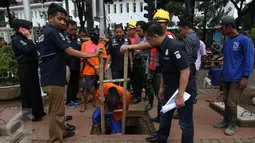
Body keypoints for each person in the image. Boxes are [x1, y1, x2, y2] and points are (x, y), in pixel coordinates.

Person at [123, 21, 196, 143]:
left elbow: (185, 71)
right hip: (170, 87)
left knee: (185, 123)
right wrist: (162, 87)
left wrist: (180, 95)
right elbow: (166, 70)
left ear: (155, 37)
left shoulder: (174, 47)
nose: (149, 43)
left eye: (149, 39)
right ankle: (161, 137)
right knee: (165, 114)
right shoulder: (161, 47)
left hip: (184, 90)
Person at [37, 3, 101, 142]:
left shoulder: (47, 33)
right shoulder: (52, 32)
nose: (62, 22)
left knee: (58, 110)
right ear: (50, 18)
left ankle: (61, 132)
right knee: (56, 112)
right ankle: (56, 139)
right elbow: (70, 51)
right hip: (53, 79)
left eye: (64, 19)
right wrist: (93, 54)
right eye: (59, 18)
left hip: (52, 77)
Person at [120, 9, 177, 123]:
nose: (156, 25)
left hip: (163, 71)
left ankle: (163, 122)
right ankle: (161, 118)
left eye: (159, 22)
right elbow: (149, 45)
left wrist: (131, 47)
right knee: (158, 95)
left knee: (162, 97)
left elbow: (148, 45)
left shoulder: (168, 37)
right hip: (155, 69)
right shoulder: (159, 36)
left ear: (166, 24)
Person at [213, 16, 254, 136]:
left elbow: (249, 60)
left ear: (229, 27)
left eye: (222, 27)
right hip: (226, 76)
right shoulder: (227, 41)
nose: (221, 29)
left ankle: (232, 124)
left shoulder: (245, 40)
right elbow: (228, 59)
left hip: (238, 78)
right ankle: (225, 120)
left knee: (232, 102)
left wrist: (245, 77)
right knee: (226, 100)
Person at [11, 19, 46, 122]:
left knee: (35, 90)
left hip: (32, 67)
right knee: (28, 91)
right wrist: (29, 38)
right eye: (28, 28)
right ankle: (31, 114)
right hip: (25, 68)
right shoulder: (17, 39)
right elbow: (27, 50)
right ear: (21, 29)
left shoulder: (24, 38)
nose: (30, 30)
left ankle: (39, 111)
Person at [80, 28, 107, 112]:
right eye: (93, 35)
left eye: (96, 35)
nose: (95, 37)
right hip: (89, 70)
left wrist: (101, 68)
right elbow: (85, 57)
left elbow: (104, 57)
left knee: (96, 87)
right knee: (87, 88)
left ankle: (94, 101)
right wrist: (95, 67)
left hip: (99, 70)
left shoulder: (101, 45)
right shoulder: (85, 44)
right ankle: (84, 104)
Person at [131, 21, 154, 112]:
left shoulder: (148, 38)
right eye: (136, 31)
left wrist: (135, 48)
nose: (138, 32)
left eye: (139, 30)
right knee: (136, 79)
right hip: (138, 61)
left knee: (147, 80)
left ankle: (149, 96)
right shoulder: (138, 38)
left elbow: (144, 47)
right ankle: (137, 96)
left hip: (146, 62)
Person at [65, 19, 83, 109]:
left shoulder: (78, 38)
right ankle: (68, 101)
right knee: (70, 83)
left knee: (75, 82)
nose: (73, 31)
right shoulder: (64, 37)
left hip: (77, 63)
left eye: (75, 29)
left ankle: (74, 98)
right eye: (71, 29)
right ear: (67, 28)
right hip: (68, 64)